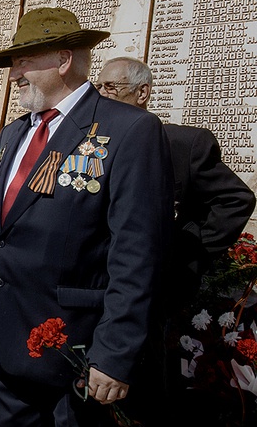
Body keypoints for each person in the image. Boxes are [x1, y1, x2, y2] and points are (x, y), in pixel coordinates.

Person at [0, 7, 174, 426]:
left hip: (76, 357)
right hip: (6, 350)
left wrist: (115, 353)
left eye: (24, 61)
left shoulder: (130, 130)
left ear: (64, 60)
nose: (14, 75)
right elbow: (0, 212)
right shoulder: (15, 133)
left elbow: (138, 253)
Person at [97, 56, 256, 423]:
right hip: (89, 289)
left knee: (139, 396)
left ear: (143, 94)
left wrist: (185, 250)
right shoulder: (90, 142)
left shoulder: (181, 144)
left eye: (112, 87)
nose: (102, 95)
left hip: (146, 295)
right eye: (98, 87)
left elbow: (235, 201)